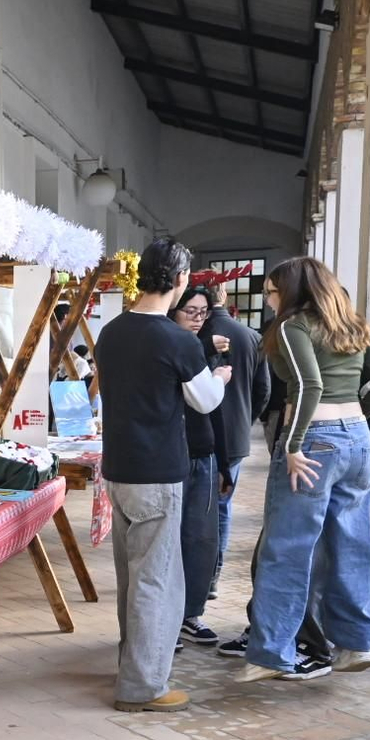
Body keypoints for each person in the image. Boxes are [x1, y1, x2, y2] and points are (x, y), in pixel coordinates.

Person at [236, 257, 370, 682]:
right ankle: (355, 645)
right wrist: (352, 419)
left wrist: (291, 444)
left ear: (291, 291)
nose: (268, 300)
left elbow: (309, 385)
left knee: (287, 546)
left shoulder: (294, 326)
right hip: (358, 441)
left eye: (271, 292)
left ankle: (270, 654)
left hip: (312, 442)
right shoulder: (353, 325)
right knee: (353, 544)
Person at [95, 239, 231, 712]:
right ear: (178, 280)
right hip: (158, 473)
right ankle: (142, 686)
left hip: (118, 470)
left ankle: (130, 665)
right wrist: (220, 378)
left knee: (131, 579)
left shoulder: (111, 332)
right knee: (157, 581)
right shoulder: (178, 341)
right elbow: (205, 402)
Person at [199, 284, 271, 599]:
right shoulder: (252, 337)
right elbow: (263, 390)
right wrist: (246, 417)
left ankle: (194, 576)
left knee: (193, 508)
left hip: (196, 434)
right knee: (222, 507)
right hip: (235, 436)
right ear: (224, 297)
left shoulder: (192, 334)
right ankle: (213, 576)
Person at [170, 287, 231, 648]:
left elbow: (215, 413)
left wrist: (224, 462)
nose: (196, 317)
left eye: (203, 312)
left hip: (203, 454)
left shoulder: (205, 351)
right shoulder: (171, 347)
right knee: (170, 540)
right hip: (171, 456)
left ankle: (190, 614)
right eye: (189, 310)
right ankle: (169, 617)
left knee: (201, 538)